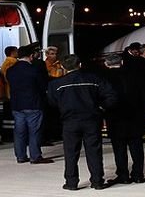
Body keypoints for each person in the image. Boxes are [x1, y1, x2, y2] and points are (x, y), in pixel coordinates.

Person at [47, 54, 117, 191]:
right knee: (94, 151)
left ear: (62, 66)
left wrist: (64, 109)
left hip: (70, 121)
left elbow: (52, 103)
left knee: (70, 152)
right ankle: (97, 181)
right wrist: (101, 108)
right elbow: (111, 96)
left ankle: (71, 182)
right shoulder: (94, 79)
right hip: (91, 120)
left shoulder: (55, 84)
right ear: (80, 65)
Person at [103, 53, 145, 185]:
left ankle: (123, 175)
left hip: (115, 117)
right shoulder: (135, 75)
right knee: (137, 147)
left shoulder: (104, 78)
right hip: (135, 116)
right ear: (121, 62)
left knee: (119, 148)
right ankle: (138, 174)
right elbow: (144, 96)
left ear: (106, 64)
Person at [6, 44, 53, 165]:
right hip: (33, 104)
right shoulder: (34, 70)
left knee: (19, 131)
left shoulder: (10, 70)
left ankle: (20, 156)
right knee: (34, 131)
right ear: (31, 56)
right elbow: (43, 86)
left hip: (17, 105)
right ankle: (35, 156)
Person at [0, 45, 18, 142]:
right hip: (10, 94)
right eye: (16, 51)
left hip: (7, 94)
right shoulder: (11, 63)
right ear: (12, 53)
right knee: (10, 117)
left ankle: (7, 135)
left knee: (7, 117)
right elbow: (10, 79)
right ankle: (8, 136)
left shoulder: (6, 63)